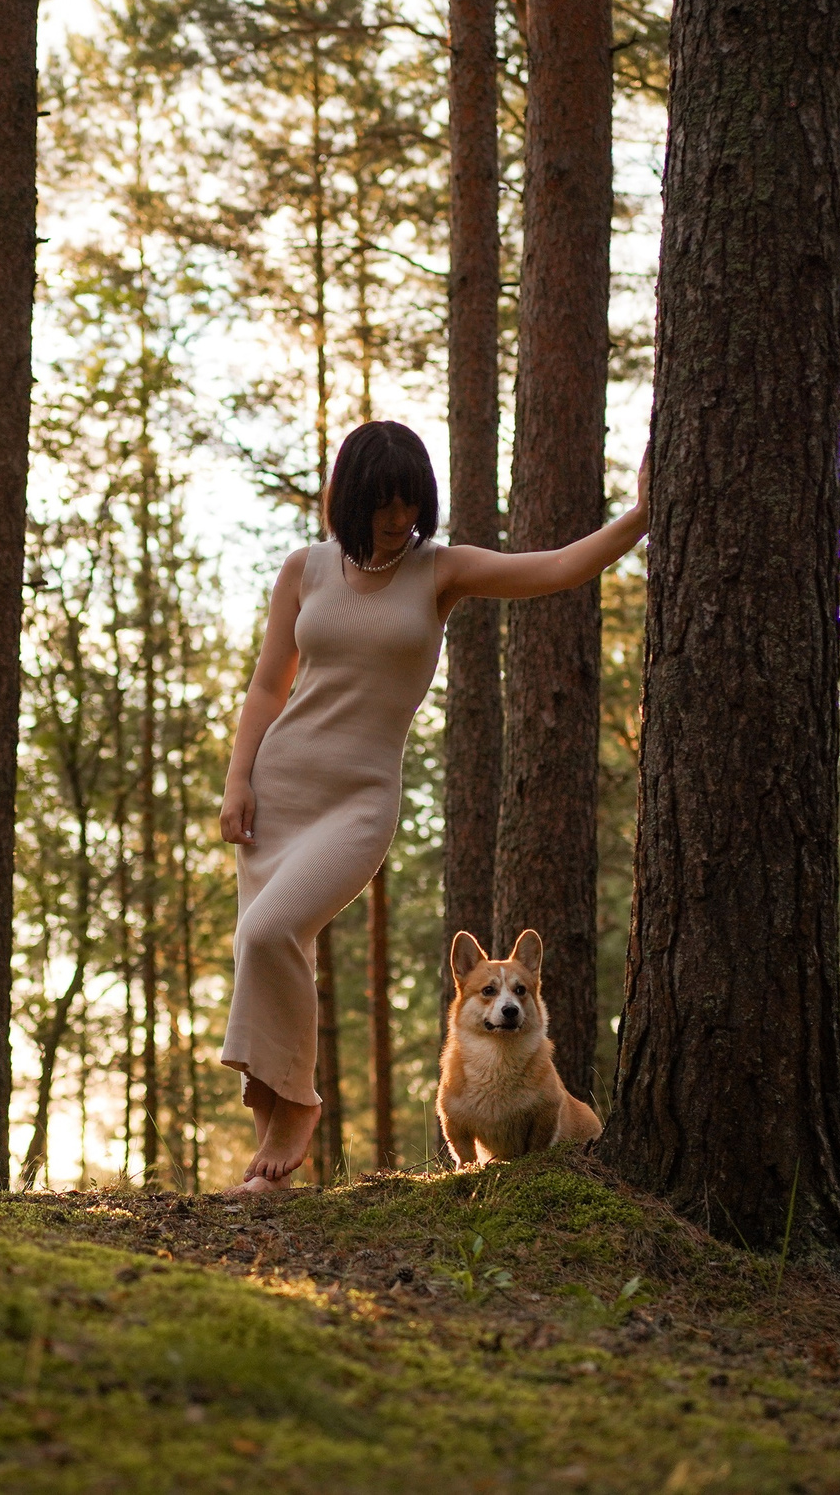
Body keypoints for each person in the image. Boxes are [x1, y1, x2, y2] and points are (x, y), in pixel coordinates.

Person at [217, 419, 648, 1194]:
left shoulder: (437, 571)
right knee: (271, 956)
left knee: (268, 931)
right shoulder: (303, 570)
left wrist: (640, 516)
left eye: (410, 501)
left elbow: (551, 567)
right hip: (279, 789)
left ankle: (301, 1107)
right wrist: (237, 778)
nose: (396, 518)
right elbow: (266, 684)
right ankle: (270, 1173)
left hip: (358, 801)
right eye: (382, 501)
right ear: (350, 498)